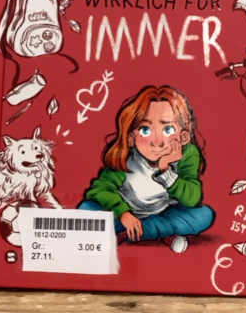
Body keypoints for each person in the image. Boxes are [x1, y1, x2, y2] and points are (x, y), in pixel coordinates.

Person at [78, 85, 215, 253]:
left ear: (183, 136)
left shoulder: (187, 153)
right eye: (145, 130)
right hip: (124, 212)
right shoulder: (126, 156)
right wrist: (123, 213)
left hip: (165, 213)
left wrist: (165, 168)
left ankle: (131, 233)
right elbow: (100, 189)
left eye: (168, 129)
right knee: (86, 210)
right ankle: (161, 232)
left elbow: (192, 198)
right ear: (131, 138)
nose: (157, 142)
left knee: (203, 216)